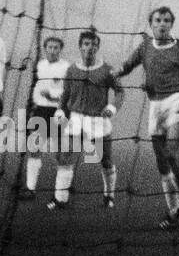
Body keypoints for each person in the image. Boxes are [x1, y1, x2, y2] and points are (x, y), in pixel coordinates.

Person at [115, 6, 179, 229]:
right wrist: (112, 74)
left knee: (172, 152)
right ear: (151, 24)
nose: (162, 24)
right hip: (155, 105)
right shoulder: (144, 47)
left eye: (166, 20)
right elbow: (127, 66)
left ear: (172, 24)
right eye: (158, 20)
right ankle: (173, 211)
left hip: (178, 101)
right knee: (162, 163)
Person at [48, 28, 123, 210]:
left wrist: (112, 107)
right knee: (66, 158)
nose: (90, 48)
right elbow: (66, 94)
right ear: (80, 47)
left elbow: (120, 91)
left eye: (93, 45)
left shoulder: (107, 70)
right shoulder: (72, 69)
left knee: (105, 160)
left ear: (97, 47)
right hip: (76, 120)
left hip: (98, 121)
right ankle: (60, 198)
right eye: (86, 44)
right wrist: (60, 111)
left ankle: (109, 195)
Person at [18, 35, 69, 200]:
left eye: (56, 48)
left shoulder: (66, 68)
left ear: (60, 50)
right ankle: (30, 189)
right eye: (50, 47)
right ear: (45, 48)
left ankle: (61, 194)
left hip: (58, 112)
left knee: (59, 154)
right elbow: (36, 88)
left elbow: (68, 92)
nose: (53, 50)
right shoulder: (39, 65)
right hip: (40, 111)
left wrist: (53, 96)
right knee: (34, 149)